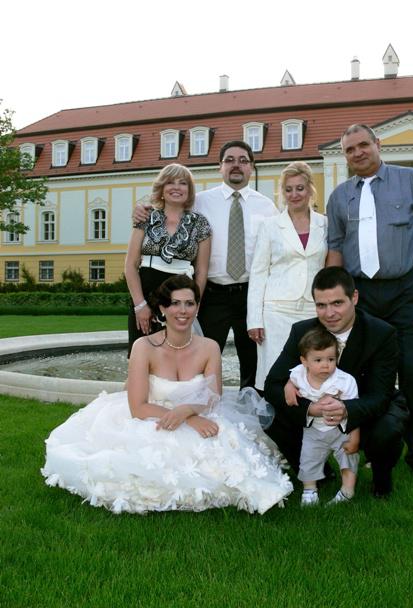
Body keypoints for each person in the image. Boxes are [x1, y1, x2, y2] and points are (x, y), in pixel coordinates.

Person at [42, 275, 293, 515]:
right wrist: (188, 417)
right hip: (150, 417)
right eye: (175, 303)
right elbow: (138, 407)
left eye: (189, 303)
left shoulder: (209, 347)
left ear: (197, 307)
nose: (183, 311)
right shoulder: (144, 347)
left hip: (199, 411)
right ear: (162, 308)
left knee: (231, 459)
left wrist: (188, 410)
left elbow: (213, 396)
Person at [326, 124, 413, 479]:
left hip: (404, 292)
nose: (357, 153)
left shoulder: (411, 180)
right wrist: (332, 296)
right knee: (363, 374)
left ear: (377, 144)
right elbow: (335, 247)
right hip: (360, 294)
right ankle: (373, 448)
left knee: (411, 370)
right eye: (349, 149)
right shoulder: (340, 196)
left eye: (363, 145)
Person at [133, 141, 278, 388]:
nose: (236, 165)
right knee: (200, 358)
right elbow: (168, 207)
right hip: (211, 294)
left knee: (253, 360)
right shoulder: (199, 202)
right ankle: (201, 403)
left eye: (243, 160)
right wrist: (141, 209)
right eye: (229, 160)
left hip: (252, 295)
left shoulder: (267, 207)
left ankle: (251, 404)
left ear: (251, 167)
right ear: (219, 166)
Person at [264, 266, 408, 498]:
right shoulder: (302, 331)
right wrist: (310, 408)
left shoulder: (381, 333)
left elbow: (380, 396)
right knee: (270, 414)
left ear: (354, 297)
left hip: (363, 407)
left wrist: (346, 409)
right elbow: (272, 385)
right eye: (321, 305)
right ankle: (319, 475)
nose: (329, 313)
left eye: (337, 303)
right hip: (315, 411)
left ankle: (381, 481)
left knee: (388, 428)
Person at [247, 162, 327, 390]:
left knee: (313, 369)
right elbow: (258, 273)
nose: (294, 194)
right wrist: (254, 319)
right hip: (276, 310)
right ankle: (276, 412)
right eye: (288, 189)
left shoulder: (325, 223)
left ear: (310, 189)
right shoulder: (270, 225)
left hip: (312, 308)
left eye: (300, 188)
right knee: (275, 371)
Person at [125, 164, 211, 355]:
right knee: (142, 356)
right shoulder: (146, 217)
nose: (176, 187)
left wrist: (193, 305)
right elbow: (130, 265)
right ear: (162, 188)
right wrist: (140, 305)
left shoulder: (200, 223)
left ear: (189, 190)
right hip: (145, 298)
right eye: (170, 182)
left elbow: (202, 270)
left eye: (183, 183)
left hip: (181, 299)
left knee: (178, 357)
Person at [286, 328, 359, 507]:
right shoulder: (299, 374)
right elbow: (291, 379)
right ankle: (310, 490)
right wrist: (289, 387)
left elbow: (355, 412)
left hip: (341, 429)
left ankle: (347, 490)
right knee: (308, 459)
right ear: (304, 361)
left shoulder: (345, 381)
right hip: (314, 429)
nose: (325, 365)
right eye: (318, 360)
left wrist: (355, 438)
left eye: (331, 359)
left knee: (348, 457)